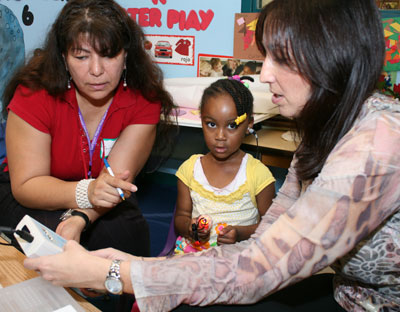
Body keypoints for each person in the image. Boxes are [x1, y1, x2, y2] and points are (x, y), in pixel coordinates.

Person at [24, 0, 400, 311]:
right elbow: (266, 244)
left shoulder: (378, 145)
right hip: (346, 294)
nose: (265, 74)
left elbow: (258, 271)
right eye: (266, 56)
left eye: (281, 59)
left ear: (332, 57)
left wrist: (113, 275)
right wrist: (140, 266)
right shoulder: (327, 127)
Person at [0, 0, 175, 258]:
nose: (96, 70)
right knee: (50, 241)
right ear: (64, 58)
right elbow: (27, 185)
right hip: (34, 192)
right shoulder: (34, 94)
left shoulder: (144, 100)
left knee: (128, 237)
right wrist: (86, 193)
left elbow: (116, 182)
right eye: (81, 56)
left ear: (126, 55)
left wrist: (81, 216)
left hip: (105, 195)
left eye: (108, 55)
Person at [173, 77, 275, 254]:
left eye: (231, 126)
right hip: (193, 259)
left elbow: (271, 227)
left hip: (236, 261)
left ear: (249, 124)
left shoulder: (258, 174)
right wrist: (191, 228)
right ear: (202, 120)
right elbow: (181, 217)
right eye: (211, 124)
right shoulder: (189, 170)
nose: (220, 135)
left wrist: (241, 233)